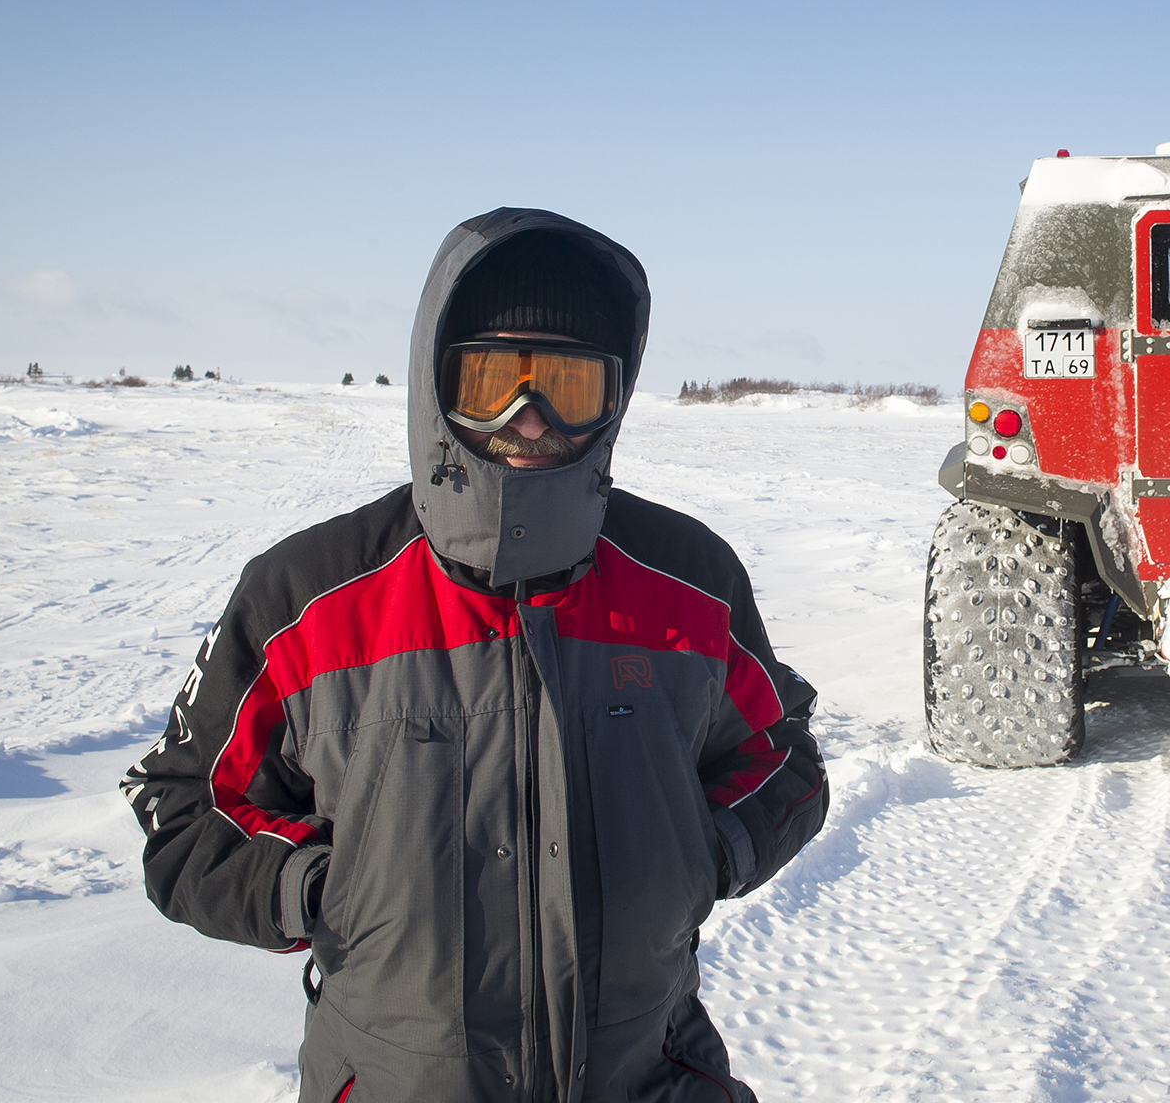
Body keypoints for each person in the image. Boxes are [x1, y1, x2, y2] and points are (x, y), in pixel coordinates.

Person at [122, 208, 827, 1102]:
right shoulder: (306, 599)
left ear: (615, 397)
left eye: (567, 387)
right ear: (435, 383)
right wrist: (322, 889)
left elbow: (783, 756)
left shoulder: (689, 581)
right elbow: (182, 805)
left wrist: (706, 853)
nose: (528, 420)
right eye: (493, 381)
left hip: (651, 1076)